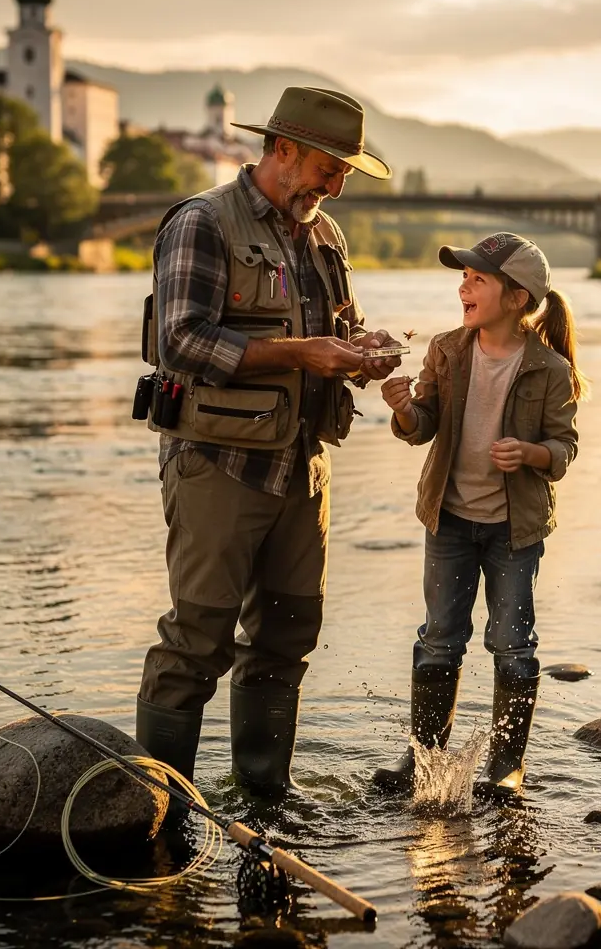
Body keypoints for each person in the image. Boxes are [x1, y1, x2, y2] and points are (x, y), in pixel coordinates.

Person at [135, 86, 401, 796]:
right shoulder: (202, 224)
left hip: (303, 466)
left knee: (288, 637)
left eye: (345, 172)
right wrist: (300, 354)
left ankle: (263, 803)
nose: (336, 185)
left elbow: (337, 333)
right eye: (328, 167)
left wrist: (363, 348)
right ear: (282, 150)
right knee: (197, 640)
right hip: (217, 465)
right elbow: (179, 341)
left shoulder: (326, 236)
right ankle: (162, 811)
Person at [373, 232, 585, 796]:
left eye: (477, 278)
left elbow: (564, 450)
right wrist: (402, 411)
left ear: (517, 298)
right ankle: (423, 759)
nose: (463, 285)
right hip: (449, 521)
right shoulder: (446, 349)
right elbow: (423, 426)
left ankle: (507, 765)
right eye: (463, 276)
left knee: (513, 643)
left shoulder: (550, 368)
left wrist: (532, 453)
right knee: (440, 638)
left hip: (514, 532)